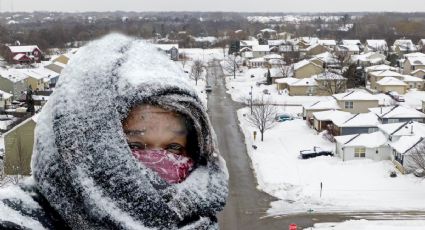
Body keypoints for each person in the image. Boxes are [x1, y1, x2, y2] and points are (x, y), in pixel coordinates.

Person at [0, 34, 228, 229]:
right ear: (82, 146)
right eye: (135, 146)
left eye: (174, 147)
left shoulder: (196, 218)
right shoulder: (22, 217)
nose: (159, 162)